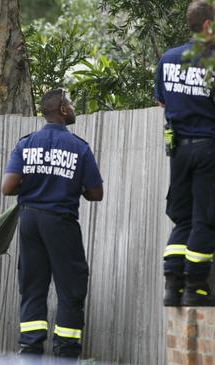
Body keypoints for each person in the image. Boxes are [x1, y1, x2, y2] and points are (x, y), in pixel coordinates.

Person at [1, 89, 103, 358]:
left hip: (30, 220)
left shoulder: (26, 143)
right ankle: (65, 354)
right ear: (62, 109)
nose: (72, 107)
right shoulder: (79, 147)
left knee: (33, 286)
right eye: (69, 103)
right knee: (71, 287)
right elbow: (96, 193)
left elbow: (7, 187)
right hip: (60, 222)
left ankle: (30, 350)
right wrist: (68, 183)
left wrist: (36, 182)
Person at [155, 0, 215, 307]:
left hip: (177, 150)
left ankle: (172, 284)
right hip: (207, 148)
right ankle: (195, 286)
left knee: (183, 218)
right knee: (205, 219)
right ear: (207, 26)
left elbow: (163, 102)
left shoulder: (167, 59)